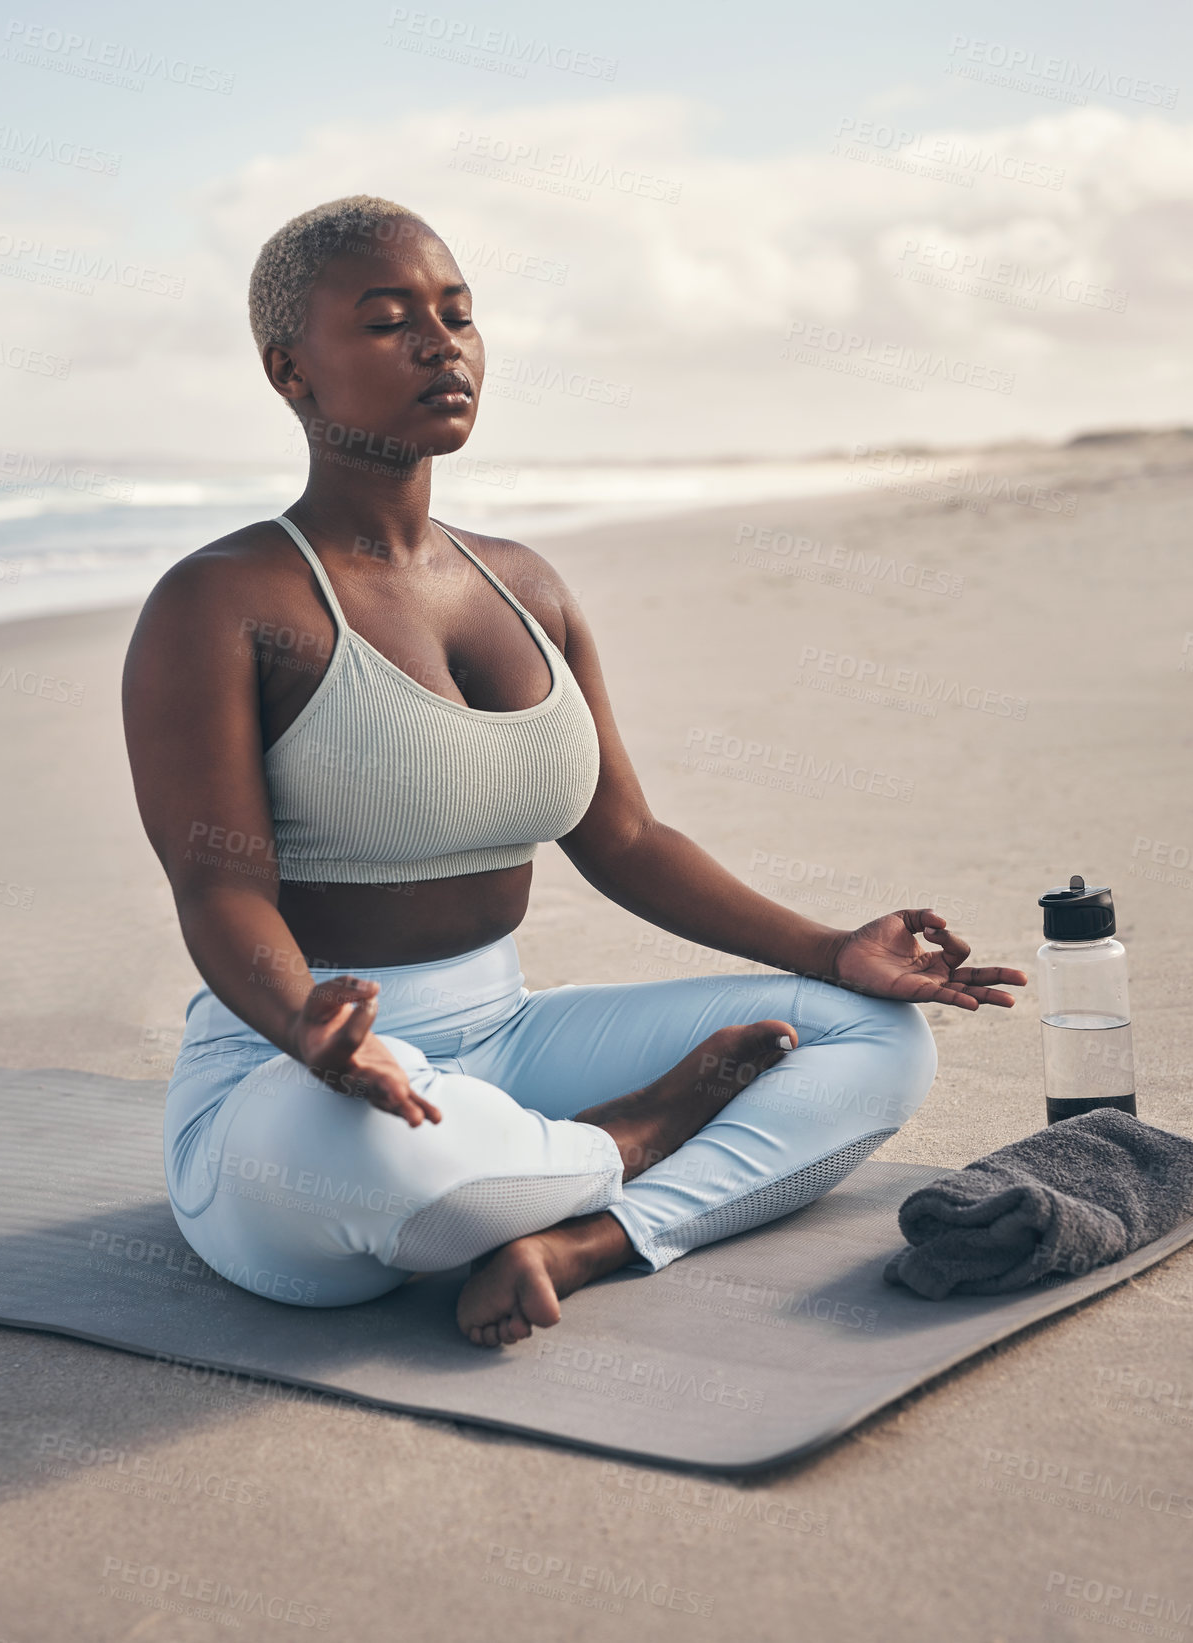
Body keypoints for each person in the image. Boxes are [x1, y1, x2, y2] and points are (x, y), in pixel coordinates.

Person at [122, 195, 1026, 1349]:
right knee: (419, 1174)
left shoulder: (524, 585)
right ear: (291, 370)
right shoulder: (224, 599)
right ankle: (631, 1139)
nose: (441, 344)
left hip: (505, 1036)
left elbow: (627, 840)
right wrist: (307, 1028)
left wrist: (831, 950)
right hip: (286, 1078)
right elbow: (219, 887)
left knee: (876, 1041)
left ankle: (586, 1234)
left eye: (457, 314)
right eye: (390, 320)